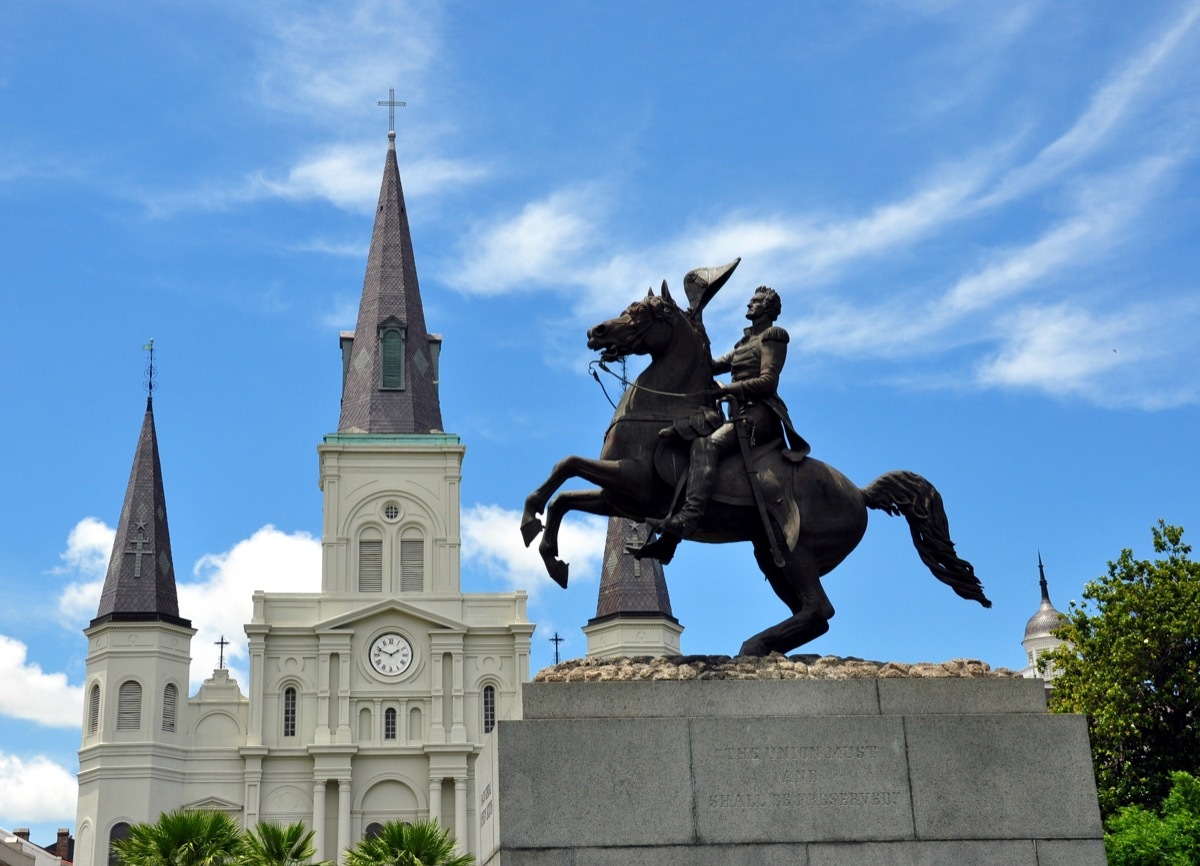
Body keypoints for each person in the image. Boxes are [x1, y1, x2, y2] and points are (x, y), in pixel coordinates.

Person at [638, 286, 809, 561]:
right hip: (738, 415)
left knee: (707, 445)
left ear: (768, 308)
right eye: (751, 299)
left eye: (757, 301)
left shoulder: (773, 336)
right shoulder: (743, 344)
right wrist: (691, 328)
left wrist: (728, 389)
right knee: (688, 433)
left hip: (759, 415)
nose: (750, 303)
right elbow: (709, 365)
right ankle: (669, 540)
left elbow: (768, 381)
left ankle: (689, 515)